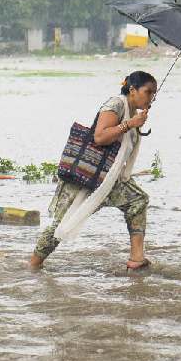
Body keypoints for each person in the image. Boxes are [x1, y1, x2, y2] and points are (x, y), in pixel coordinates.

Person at [29, 71, 156, 272]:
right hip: (88, 175)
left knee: (138, 200)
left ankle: (137, 258)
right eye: (148, 92)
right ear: (132, 90)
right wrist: (130, 124)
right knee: (63, 223)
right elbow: (99, 137)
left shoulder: (132, 112)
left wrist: (134, 122)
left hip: (109, 177)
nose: (151, 97)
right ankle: (33, 265)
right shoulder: (115, 104)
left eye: (154, 94)